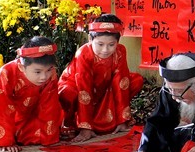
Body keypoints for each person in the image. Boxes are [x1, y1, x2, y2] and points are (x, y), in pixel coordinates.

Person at [58, 14, 144, 143]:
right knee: (68, 93)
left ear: (118, 42)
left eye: (111, 44)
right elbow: (84, 88)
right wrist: (85, 127)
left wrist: (123, 119)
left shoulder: (120, 51)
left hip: (103, 88)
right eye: (100, 44)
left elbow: (121, 82)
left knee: (135, 80)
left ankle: (116, 120)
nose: (105, 50)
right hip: (78, 87)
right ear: (90, 39)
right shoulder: (83, 54)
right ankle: (74, 123)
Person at [0, 36, 62, 152]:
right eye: (37, 71)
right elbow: (2, 106)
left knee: (37, 136)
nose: (44, 76)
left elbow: (49, 105)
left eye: (49, 69)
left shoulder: (51, 74)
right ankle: (7, 137)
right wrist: (7, 141)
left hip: (27, 107)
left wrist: (49, 138)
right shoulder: (7, 72)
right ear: (22, 66)